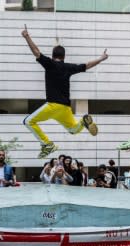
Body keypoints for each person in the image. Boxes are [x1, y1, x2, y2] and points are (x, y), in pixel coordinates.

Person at [21, 25, 108, 158]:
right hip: (65, 108)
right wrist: (101, 58)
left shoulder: (49, 64)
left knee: (28, 121)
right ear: (64, 56)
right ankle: (83, 122)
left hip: (52, 105)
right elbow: (87, 65)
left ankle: (47, 144)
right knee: (73, 130)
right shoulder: (68, 67)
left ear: (53, 55)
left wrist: (27, 37)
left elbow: (36, 51)